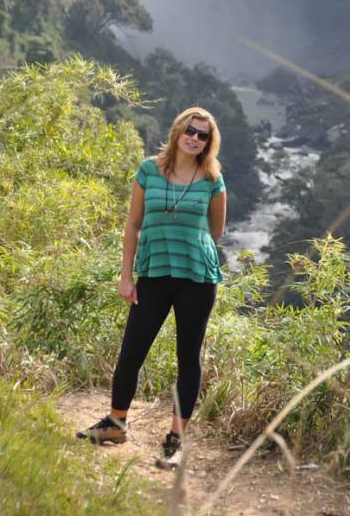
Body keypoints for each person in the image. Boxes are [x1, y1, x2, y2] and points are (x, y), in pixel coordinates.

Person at [77, 106, 227, 466]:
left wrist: (185, 238)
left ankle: (175, 441)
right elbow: (133, 224)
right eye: (190, 130)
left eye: (203, 134)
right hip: (154, 274)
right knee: (132, 351)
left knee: (188, 358)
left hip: (196, 278)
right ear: (178, 131)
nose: (195, 137)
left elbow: (216, 231)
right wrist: (126, 276)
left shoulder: (212, 178)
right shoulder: (149, 170)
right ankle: (116, 423)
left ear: (209, 142)